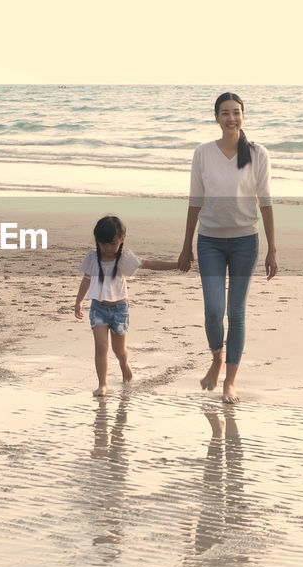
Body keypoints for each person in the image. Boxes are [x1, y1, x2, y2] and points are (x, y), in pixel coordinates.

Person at [178, 92, 278, 403]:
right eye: (225, 113)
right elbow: (195, 202)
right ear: (216, 118)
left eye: (236, 113)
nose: (231, 118)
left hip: (245, 242)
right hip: (209, 241)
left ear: (243, 117)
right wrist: (186, 247)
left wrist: (272, 249)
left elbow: (266, 202)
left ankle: (229, 383)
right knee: (212, 311)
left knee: (235, 313)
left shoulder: (258, 154)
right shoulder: (203, 153)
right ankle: (217, 358)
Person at [74, 215, 179, 397]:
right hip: (98, 308)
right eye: (103, 244)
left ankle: (124, 364)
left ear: (122, 239)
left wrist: (176, 265)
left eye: (112, 244)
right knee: (101, 347)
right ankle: (103, 384)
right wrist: (78, 302)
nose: (108, 249)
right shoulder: (92, 258)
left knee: (119, 350)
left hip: (119, 309)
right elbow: (86, 280)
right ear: (97, 241)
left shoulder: (124, 258)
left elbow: (148, 264)